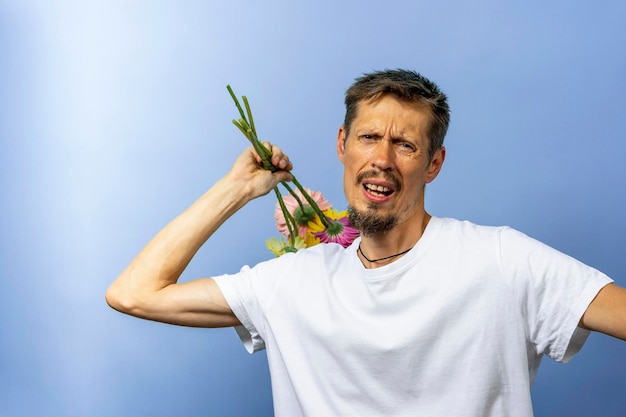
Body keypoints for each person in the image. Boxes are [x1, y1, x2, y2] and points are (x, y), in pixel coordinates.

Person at [106, 69, 626, 416]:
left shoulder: (501, 260)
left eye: (405, 144)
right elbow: (135, 292)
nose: (382, 158)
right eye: (369, 137)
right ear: (342, 145)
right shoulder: (292, 281)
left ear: (433, 164)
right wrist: (237, 188)